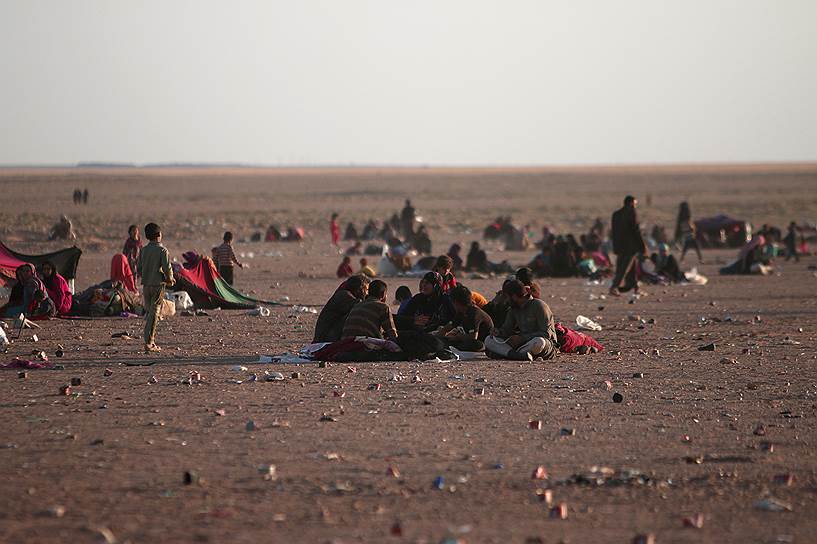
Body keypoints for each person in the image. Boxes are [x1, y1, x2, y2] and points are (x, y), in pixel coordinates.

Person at [484, 279, 557, 361]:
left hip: (542, 345)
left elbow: (546, 334)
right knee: (489, 340)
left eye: (507, 297)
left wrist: (523, 338)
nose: (506, 300)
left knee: (539, 342)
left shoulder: (539, 306)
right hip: (522, 345)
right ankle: (518, 355)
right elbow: (507, 330)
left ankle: (510, 354)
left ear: (514, 296)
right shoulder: (513, 309)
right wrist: (498, 332)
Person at [137, 222, 175, 353]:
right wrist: (170, 280)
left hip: (146, 285)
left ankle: (149, 340)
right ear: (159, 234)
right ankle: (149, 343)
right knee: (154, 314)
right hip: (158, 285)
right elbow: (167, 268)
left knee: (149, 313)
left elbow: (139, 268)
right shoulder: (162, 250)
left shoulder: (143, 250)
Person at [610, 195, 647, 296]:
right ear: (631, 203)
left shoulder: (616, 214)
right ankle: (614, 287)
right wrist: (643, 247)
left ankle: (635, 288)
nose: (635, 206)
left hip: (619, 245)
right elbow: (636, 230)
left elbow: (613, 232)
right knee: (625, 268)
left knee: (631, 267)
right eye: (635, 204)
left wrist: (615, 247)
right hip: (630, 246)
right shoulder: (631, 213)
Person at [313, 275, 368, 343]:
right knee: (358, 314)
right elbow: (363, 307)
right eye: (367, 290)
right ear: (360, 289)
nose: (367, 293)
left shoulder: (344, 294)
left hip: (326, 336)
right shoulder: (344, 295)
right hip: (325, 338)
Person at [440, 285, 494, 352]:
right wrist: (439, 334)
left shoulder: (474, 313)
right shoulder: (462, 311)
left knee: (472, 344)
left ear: (456, 302)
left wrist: (458, 337)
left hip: (481, 343)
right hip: (469, 340)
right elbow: (450, 326)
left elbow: (473, 337)